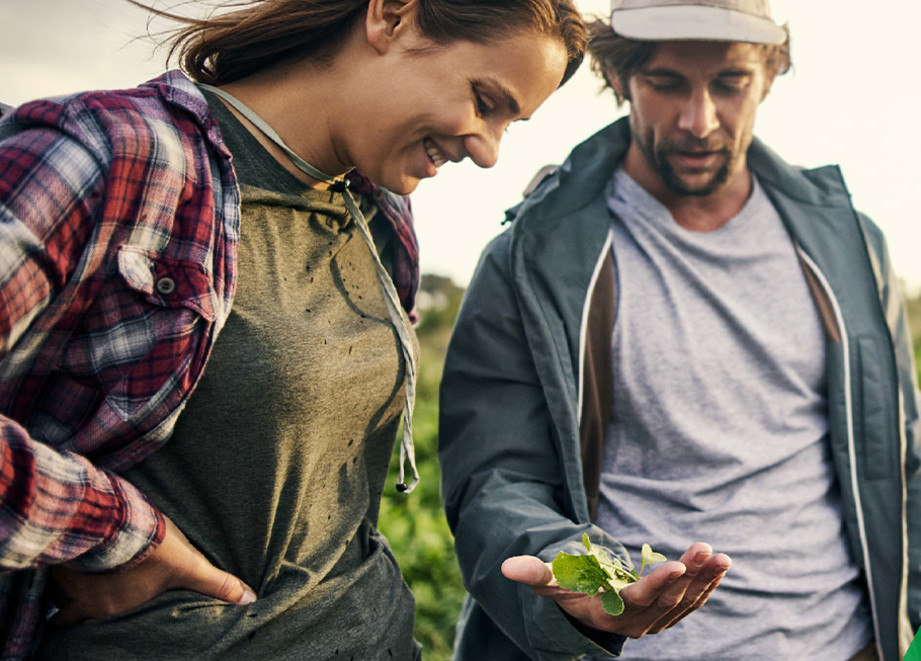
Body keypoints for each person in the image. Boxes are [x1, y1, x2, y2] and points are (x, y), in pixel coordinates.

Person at [0, 0, 587, 658]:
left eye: (511, 123)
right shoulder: (115, 156)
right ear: (392, 17)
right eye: (485, 100)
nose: (487, 150)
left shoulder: (379, 213)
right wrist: (111, 530)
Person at [438, 0, 920, 659]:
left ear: (770, 75)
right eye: (665, 83)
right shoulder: (530, 257)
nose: (699, 120)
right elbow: (494, 481)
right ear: (619, 79)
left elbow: (899, 456)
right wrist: (575, 576)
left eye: (729, 82)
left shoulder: (851, 245)